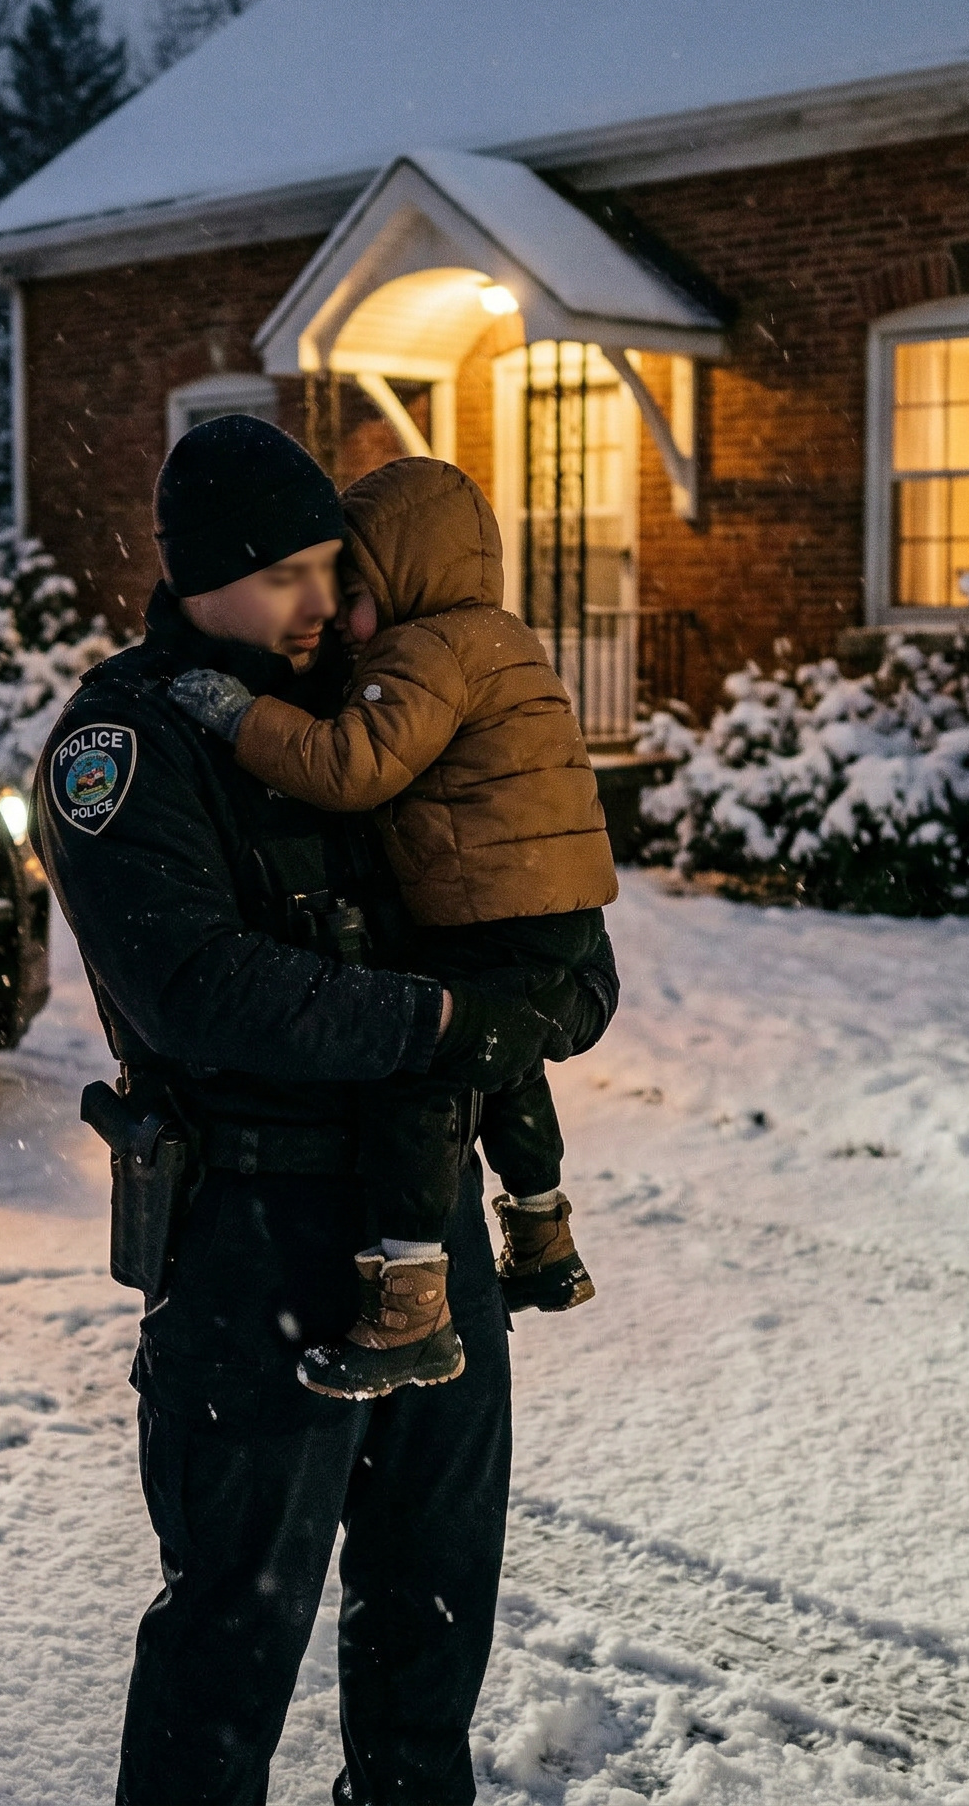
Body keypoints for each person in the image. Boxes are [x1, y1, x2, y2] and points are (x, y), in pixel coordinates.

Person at [35, 414, 568, 1806]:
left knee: (433, 1600)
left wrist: (551, 980)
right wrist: (440, 1022)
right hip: (251, 1234)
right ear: (199, 576)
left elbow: (516, 872)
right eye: (284, 576)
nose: (321, 600)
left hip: (424, 1221)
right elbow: (197, 988)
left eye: (331, 564)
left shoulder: (375, 701)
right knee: (234, 1630)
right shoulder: (127, 741)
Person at [169, 456, 619, 1400]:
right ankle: (544, 1240)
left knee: (422, 1079)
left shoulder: (425, 653)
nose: (336, 614)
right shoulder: (506, 638)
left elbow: (351, 768)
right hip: (553, 911)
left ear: (407, 577)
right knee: (507, 1065)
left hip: (487, 913)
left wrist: (244, 718)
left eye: (354, 590)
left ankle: (412, 1308)